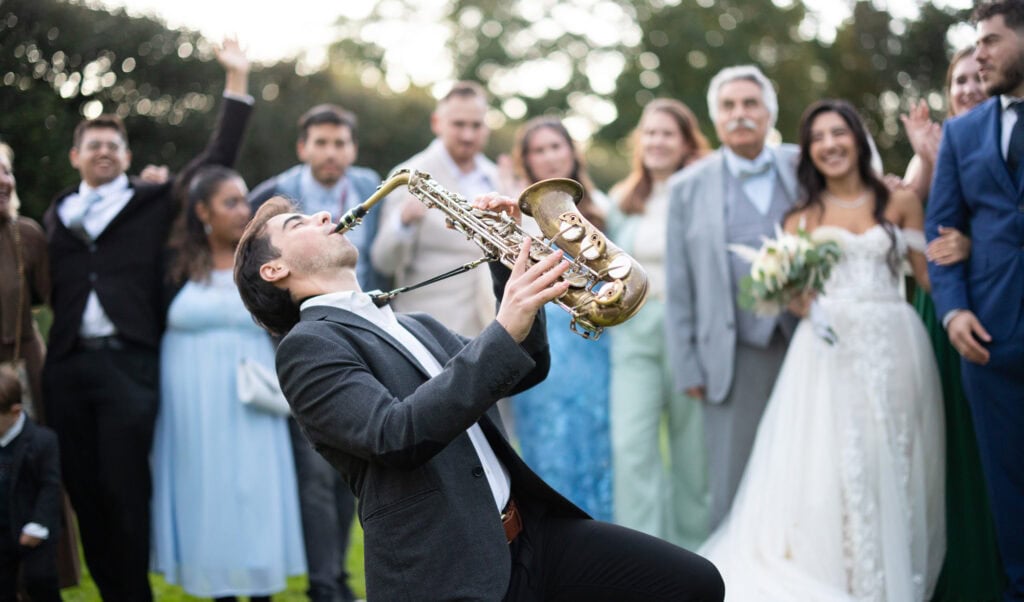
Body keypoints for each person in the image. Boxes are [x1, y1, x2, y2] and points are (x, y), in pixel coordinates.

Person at [233, 195, 724, 601]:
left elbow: (519, 369)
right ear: (274, 270)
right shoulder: (307, 346)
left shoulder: (412, 323)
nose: (323, 215)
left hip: (531, 536)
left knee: (696, 584)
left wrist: (506, 260)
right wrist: (503, 326)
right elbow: (394, 435)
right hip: (449, 570)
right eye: (298, 222)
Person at [702, 99, 945, 600]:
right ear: (808, 153)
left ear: (857, 138)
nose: (830, 145)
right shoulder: (802, 217)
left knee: (897, 455)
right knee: (838, 463)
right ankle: (851, 573)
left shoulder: (898, 201)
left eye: (839, 133)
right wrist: (791, 291)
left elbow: (930, 281)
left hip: (896, 344)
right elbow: (797, 300)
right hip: (829, 353)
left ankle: (900, 571)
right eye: (818, 138)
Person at [41, 39, 253, 601]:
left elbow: (215, 161)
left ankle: (134, 593)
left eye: (113, 144)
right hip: (64, 371)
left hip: (129, 365)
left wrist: (236, 80)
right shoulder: (55, 216)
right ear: (76, 156)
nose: (104, 152)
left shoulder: (150, 202)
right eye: (93, 145)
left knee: (125, 489)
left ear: (127, 157)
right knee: (84, 491)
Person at [150, 166, 305, 600]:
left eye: (245, 200)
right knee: (205, 490)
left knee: (253, 489)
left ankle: (260, 589)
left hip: (255, 397)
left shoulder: (262, 264)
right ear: (202, 211)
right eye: (230, 202)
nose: (244, 211)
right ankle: (217, 587)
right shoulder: (172, 265)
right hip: (190, 402)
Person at [247, 103, 381, 602]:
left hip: (366, 334)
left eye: (340, 143)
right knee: (315, 473)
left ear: (353, 148)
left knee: (356, 463)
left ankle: (340, 576)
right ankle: (325, 584)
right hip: (308, 342)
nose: (331, 152)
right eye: (321, 143)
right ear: (303, 147)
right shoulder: (272, 197)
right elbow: (253, 276)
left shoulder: (371, 184)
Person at [665, 65, 800, 530]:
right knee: (733, 478)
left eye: (750, 104)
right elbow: (679, 285)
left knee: (805, 464)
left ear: (768, 112)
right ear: (716, 118)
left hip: (805, 344)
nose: (740, 114)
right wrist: (687, 363)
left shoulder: (804, 165)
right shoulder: (686, 187)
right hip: (729, 353)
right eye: (729, 106)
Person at [899, 47, 1007, 601]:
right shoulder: (931, 151)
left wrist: (974, 241)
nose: (966, 87)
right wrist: (927, 160)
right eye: (957, 79)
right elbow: (901, 215)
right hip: (946, 311)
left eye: (974, 77)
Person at [929, 2, 1024, 597]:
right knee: (1010, 499)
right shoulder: (963, 133)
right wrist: (954, 309)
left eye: (990, 39)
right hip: (991, 344)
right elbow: (943, 229)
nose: (979, 53)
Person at [606, 99, 711, 549]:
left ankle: (698, 555)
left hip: (692, 334)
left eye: (667, 133)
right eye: (649, 133)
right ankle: (647, 562)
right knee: (631, 450)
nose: (656, 141)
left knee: (694, 455)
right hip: (634, 336)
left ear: (687, 142)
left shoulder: (707, 195)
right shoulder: (620, 202)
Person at [499, 116, 613, 521]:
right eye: (538, 151)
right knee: (547, 448)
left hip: (594, 351)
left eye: (555, 147)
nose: (548, 157)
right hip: (543, 345)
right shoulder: (516, 218)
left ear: (571, 151)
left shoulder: (605, 208)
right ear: (526, 161)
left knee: (599, 445)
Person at [370, 81, 500, 337]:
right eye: (459, 124)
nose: (468, 135)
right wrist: (403, 222)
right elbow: (383, 262)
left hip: (491, 329)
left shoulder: (498, 177)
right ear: (436, 122)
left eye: (476, 125)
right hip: (429, 330)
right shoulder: (408, 176)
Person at [0, 366, 62, 602]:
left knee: (40, 581)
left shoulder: (42, 441)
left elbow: (50, 486)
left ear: (15, 411)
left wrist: (38, 523)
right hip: (2, 531)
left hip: (33, 531)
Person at [0, 143, 48, 419]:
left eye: (7, 172)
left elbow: (62, 303)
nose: (3, 181)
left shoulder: (27, 236)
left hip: (25, 374)